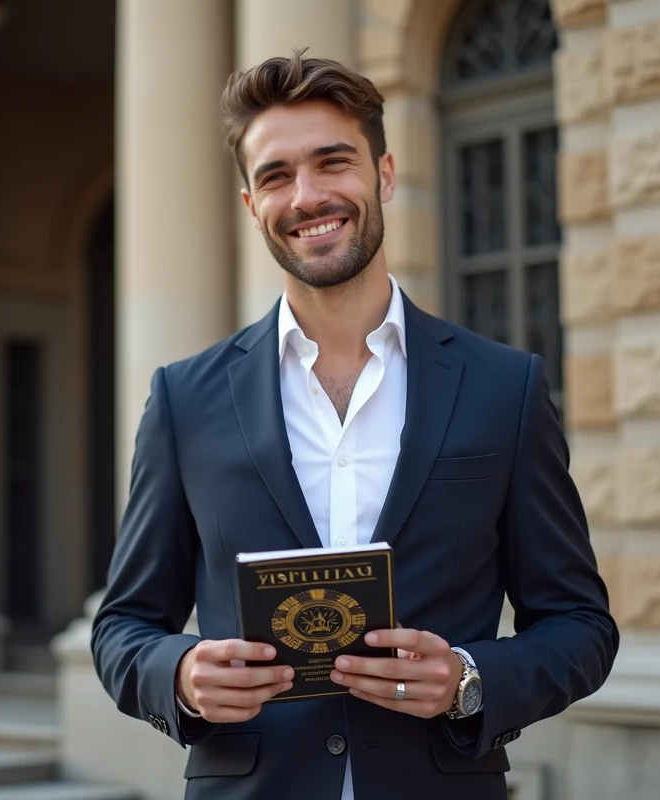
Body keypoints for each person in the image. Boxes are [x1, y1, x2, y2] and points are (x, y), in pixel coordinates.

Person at [90, 49, 618, 800]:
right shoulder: (184, 398)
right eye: (275, 175)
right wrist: (176, 674)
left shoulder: (505, 387)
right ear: (251, 206)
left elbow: (580, 624)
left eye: (332, 162)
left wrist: (468, 679)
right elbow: (122, 627)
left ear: (385, 174)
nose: (306, 196)